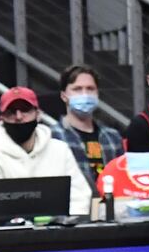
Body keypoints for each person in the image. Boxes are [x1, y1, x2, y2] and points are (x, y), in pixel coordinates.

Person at [0, 87, 90, 216]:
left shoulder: (60, 150)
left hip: (59, 227)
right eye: (11, 112)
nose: (19, 116)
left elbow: (80, 197)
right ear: (2, 118)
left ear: (38, 114)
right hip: (10, 228)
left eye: (25, 110)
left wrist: (66, 223)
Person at [50, 63, 123, 191]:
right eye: (77, 89)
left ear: (97, 93)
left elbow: (122, 176)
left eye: (90, 89)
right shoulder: (53, 136)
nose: (84, 94)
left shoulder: (113, 137)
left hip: (110, 201)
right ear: (63, 96)